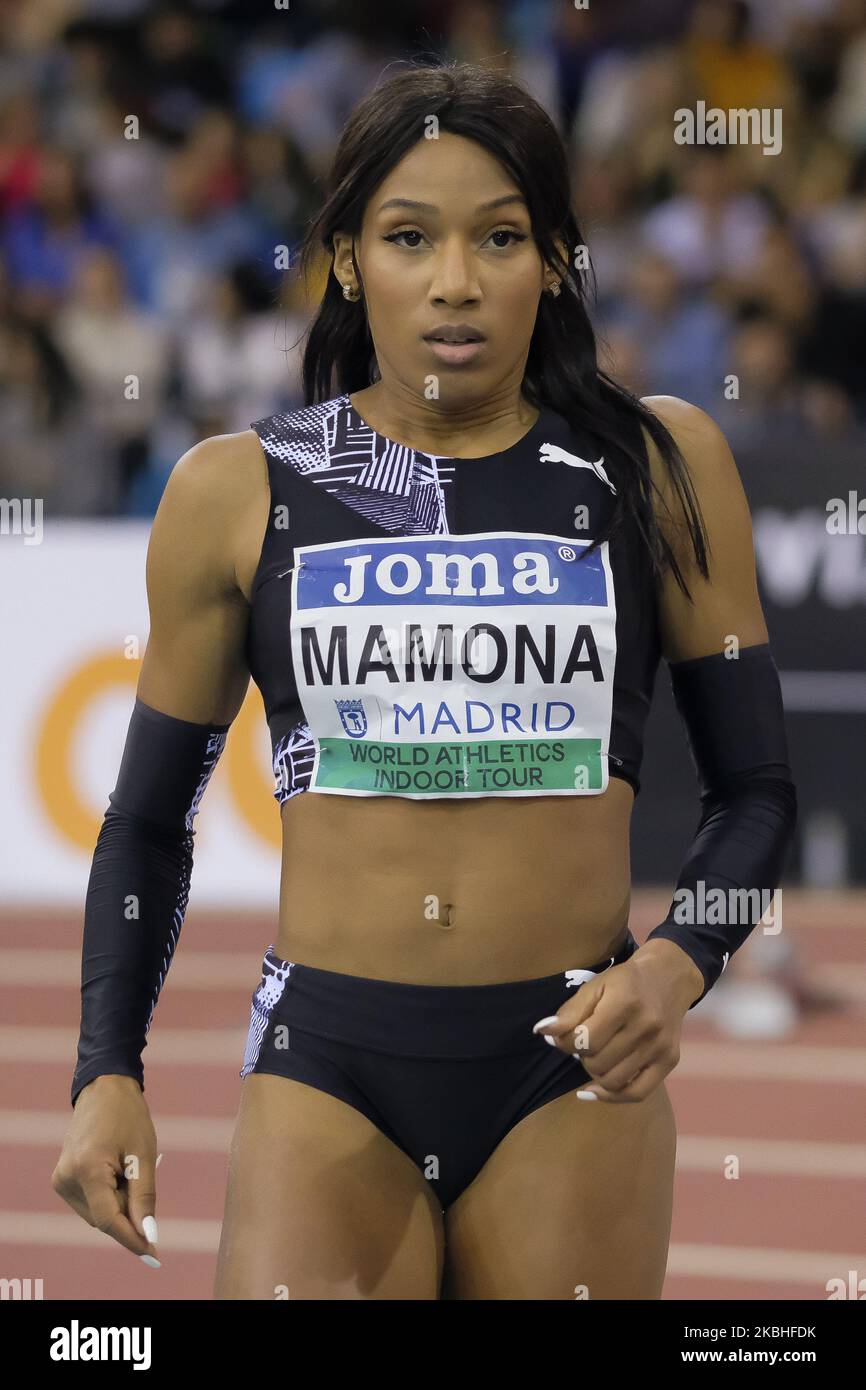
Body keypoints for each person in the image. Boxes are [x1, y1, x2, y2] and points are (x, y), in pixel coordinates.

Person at [51, 62, 797, 1301]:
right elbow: (141, 822)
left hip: (570, 1067)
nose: (455, 281)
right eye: (409, 238)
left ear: (553, 259)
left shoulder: (657, 466)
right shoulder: (237, 490)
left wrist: (678, 964)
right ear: (346, 259)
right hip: (327, 1063)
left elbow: (758, 790)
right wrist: (103, 1068)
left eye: (500, 238)